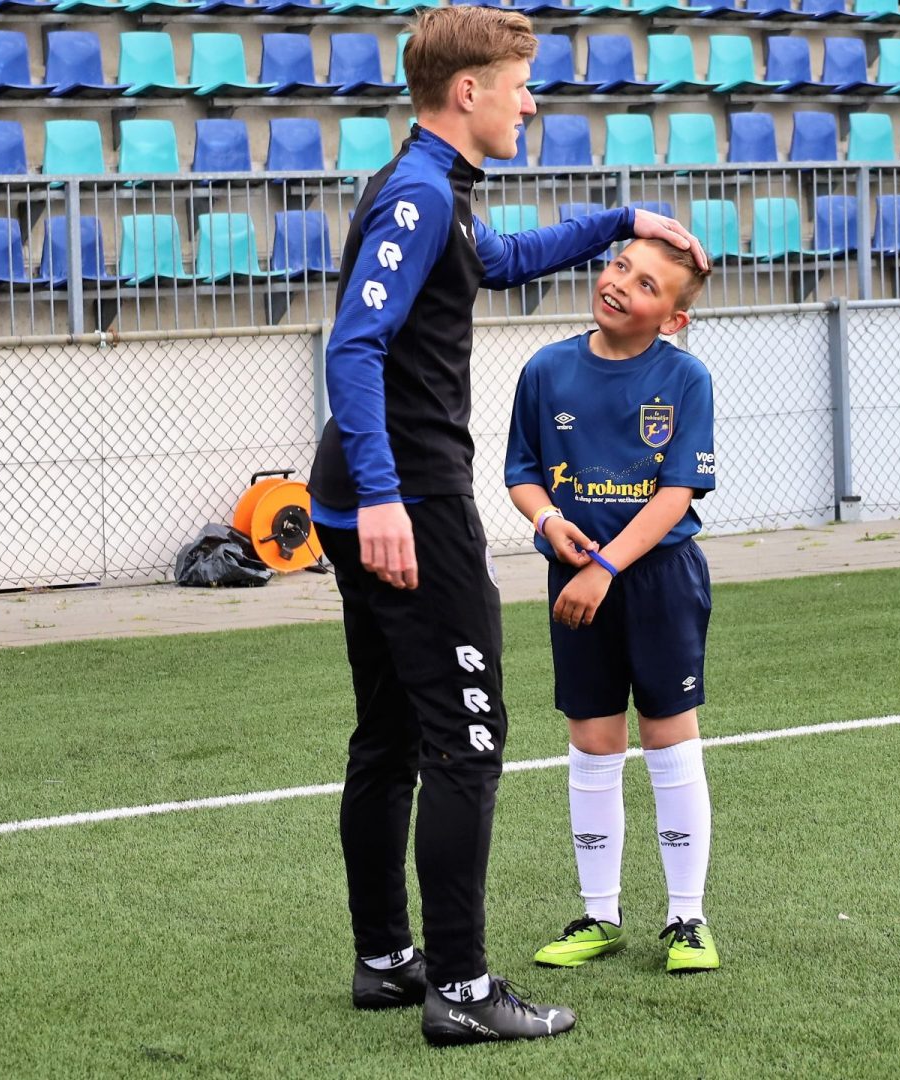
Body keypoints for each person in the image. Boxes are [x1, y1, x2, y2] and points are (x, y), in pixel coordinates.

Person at [306, 5, 708, 1047]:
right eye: (521, 84)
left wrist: (624, 221)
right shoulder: (416, 196)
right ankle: (462, 988)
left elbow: (503, 258)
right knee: (469, 743)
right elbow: (353, 347)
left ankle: (388, 960)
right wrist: (390, 495)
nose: (532, 102)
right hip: (407, 500)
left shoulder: (437, 188)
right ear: (468, 91)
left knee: (389, 734)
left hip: (369, 493)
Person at [504, 238, 722, 976]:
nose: (623, 284)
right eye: (621, 266)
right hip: (574, 580)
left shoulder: (686, 379)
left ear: (674, 319)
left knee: (668, 739)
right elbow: (523, 476)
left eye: (649, 283)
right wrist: (545, 523)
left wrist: (604, 565)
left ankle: (687, 918)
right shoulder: (545, 370)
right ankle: (600, 914)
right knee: (593, 743)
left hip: (657, 579)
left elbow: (676, 495)